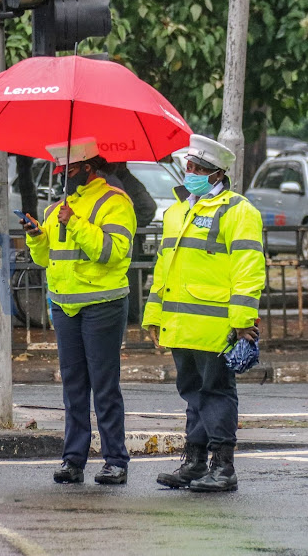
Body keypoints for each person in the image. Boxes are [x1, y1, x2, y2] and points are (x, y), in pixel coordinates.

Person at [142, 134, 265, 493]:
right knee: (192, 392)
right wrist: (154, 315)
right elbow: (163, 268)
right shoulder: (177, 212)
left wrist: (243, 324)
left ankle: (223, 467)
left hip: (216, 325)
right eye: (188, 167)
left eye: (196, 168)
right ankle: (194, 462)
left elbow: (249, 268)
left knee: (216, 392)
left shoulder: (238, 211)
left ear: (215, 175)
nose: (189, 173)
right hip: (181, 323)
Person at [23, 138, 137, 485]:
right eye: (59, 170)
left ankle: (115, 460)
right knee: (73, 387)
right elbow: (45, 259)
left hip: (102, 304)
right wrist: (36, 237)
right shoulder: (56, 208)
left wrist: (74, 222)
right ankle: (73, 460)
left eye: (69, 170)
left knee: (104, 386)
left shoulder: (115, 203)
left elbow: (111, 252)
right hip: (64, 306)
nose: (63, 176)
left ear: (89, 168)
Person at [100, 162, 156, 324]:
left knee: (128, 278)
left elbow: (148, 207)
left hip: (125, 241)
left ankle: (130, 317)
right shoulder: (123, 181)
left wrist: (129, 225)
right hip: (127, 239)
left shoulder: (119, 182)